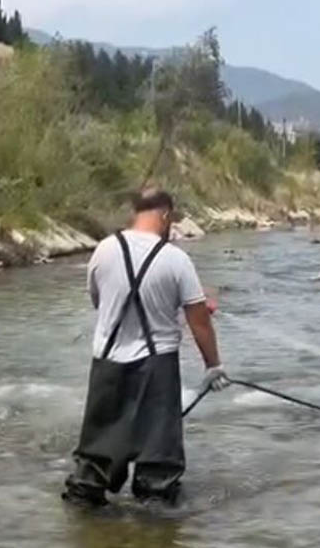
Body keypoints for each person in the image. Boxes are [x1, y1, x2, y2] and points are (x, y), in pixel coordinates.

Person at [64, 188, 228, 507]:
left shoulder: (103, 250)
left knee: (93, 466)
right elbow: (199, 323)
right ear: (165, 215)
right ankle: (154, 530)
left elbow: (101, 302)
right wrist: (214, 366)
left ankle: (85, 524)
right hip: (157, 368)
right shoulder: (176, 259)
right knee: (157, 472)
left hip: (107, 364)